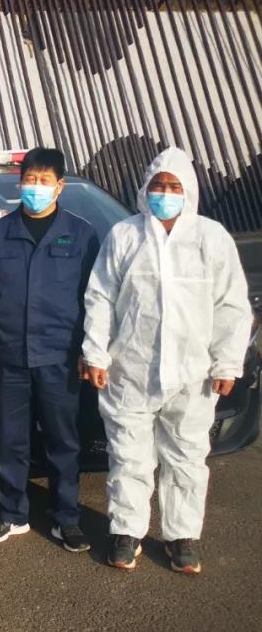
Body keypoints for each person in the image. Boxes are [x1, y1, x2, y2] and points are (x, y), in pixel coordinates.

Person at [82, 147, 252, 574]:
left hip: (193, 373)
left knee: (186, 457)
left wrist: (227, 362)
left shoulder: (211, 238)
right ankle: (126, 531)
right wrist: (95, 352)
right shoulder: (125, 235)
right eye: (158, 185)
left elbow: (231, 304)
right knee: (129, 455)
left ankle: (182, 537)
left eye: (174, 186)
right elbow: (100, 297)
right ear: (145, 188)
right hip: (130, 369)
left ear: (189, 190)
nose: (165, 193)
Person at [0, 147, 99, 552]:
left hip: (60, 357)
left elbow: (95, 300)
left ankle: (66, 519)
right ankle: (12, 514)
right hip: (8, 357)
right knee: (11, 440)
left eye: (44, 180)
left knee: (63, 442)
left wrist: (89, 350)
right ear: (20, 183)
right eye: (29, 180)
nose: (35, 187)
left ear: (60, 186)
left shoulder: (81, 234)